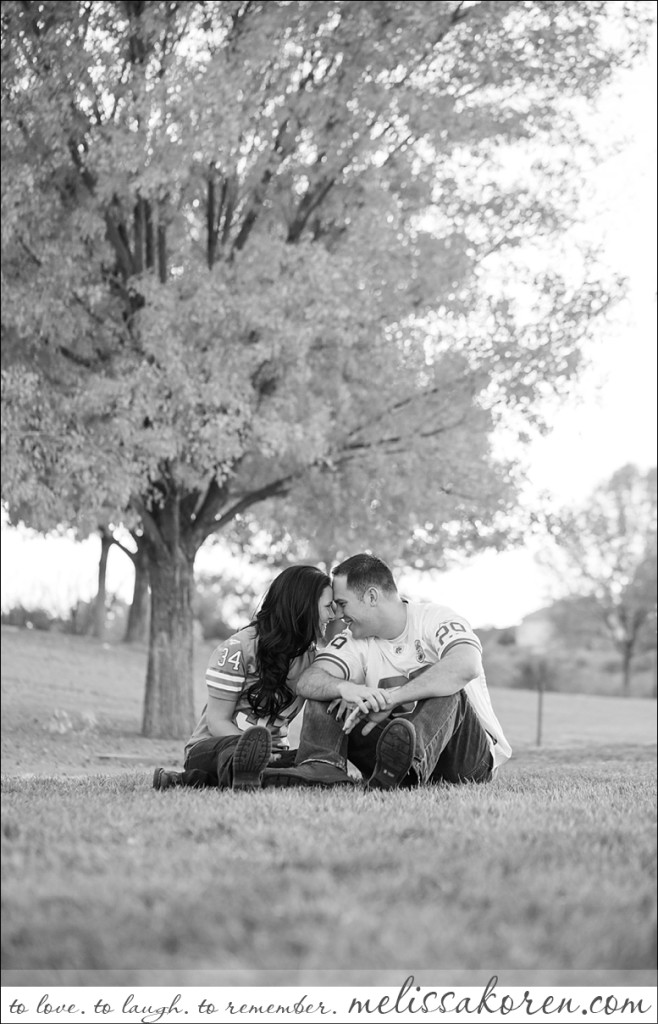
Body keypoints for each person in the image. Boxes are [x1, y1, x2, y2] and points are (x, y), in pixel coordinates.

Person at [261, 553, 511, 790]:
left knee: (449, 689)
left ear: (371, 597)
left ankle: (408, 766)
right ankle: (322, 766)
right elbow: (309, 681)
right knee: (330, 691)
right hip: (385, 762)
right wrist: (348, 689)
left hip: (464, 760)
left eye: (342, 603)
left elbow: (466, 665)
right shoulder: (354, 639)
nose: (338, 613)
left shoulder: (434, 618)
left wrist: (392, 699)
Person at [152, 564, 335, 791]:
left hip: (275, 755)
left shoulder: (313, 660)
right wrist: (256, 751)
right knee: (235, 755)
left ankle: (190, 780)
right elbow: (217, 721)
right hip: (215, 746)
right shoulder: (237, 649)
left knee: (315, 758)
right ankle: (253, 772)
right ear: (303, 606)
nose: (333, 615)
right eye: (328, 607)